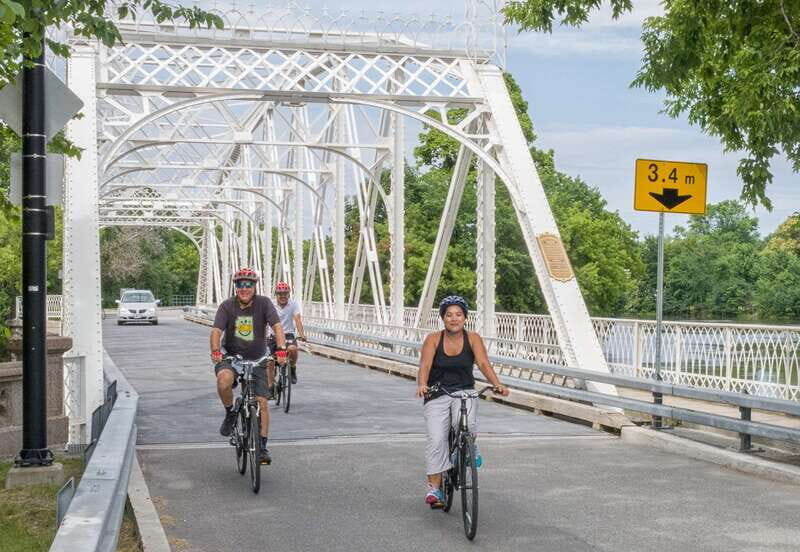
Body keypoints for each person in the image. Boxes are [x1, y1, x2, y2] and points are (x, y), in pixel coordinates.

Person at [416, 295, 509, 508]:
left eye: (458, 315)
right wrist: (422, 384)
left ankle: (468, 447)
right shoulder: (433, 339)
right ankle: (435, 489)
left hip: (464, 391)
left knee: (466, 424)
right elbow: (425, 365)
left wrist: (497, 384)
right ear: (443, 318)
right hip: (437, 393)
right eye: (449, 315)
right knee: (437, 439)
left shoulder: (473, 338)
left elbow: (484, 363)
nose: (454, 319)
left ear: (465, 318)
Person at [210, 267, 287, 465]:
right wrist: (215, 351)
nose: (244, 288)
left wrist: (280, 349)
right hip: (232, 357)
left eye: (249, 284)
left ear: (255, 286)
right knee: (223, 381)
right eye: (240, 284)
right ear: (235, 287)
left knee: (262, 402)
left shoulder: (264, 303)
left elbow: (277, 327)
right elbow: (217, 331)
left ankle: (262, 447)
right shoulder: (227, 306)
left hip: (258, 359)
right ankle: (230, 413)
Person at [267, 281, 306, 388]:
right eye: (280, 294)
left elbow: (297, 319)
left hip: (288, 335)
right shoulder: (270, 304)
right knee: (269, 361)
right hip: (273, 336)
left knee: (293, 349)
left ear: (288, 294)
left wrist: (302, 334)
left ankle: (292, 368)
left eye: (285, 293)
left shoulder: (293, 304)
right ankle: (270, 385)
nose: (283, 296)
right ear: (276, 295)